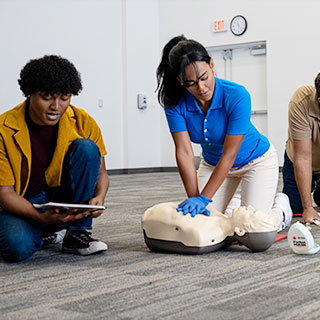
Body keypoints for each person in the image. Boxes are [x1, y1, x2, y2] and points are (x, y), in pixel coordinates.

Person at [156, 35, 292, 232]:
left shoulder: (237, 95)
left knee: (256, 230)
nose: (201, 88)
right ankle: (236, 205)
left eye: (204, 78)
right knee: (200, 226)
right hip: (212, 164)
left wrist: (204, 198)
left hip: (256, 161)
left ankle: (280, 208)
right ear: (180, 80)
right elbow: (184, 152)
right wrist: (195, 198)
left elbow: (229, 155)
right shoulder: (174, 103)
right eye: (191, 83)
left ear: (212, 64)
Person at [0, 55, 109, 262]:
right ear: (30, 93)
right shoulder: (3, 129)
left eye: (64, 97)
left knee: (87, 148)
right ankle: (44, 231)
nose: (56, 106)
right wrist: (39, 215)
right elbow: (4, 194)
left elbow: (102, 174)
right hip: (21, 202)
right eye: (47, 97)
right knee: (18, 248)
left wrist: (99, 198)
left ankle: (77, 233)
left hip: (60, 199)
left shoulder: (83, 121)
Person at [142, 202, 278, 253]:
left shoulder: (202, 234)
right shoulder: (218, 221)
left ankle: (282, 209)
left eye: (251, 213)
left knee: (279, 205)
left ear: (240, 231)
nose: (250, 207)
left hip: (151, 217)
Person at [282, 73, 320, 224]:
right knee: (294, 210)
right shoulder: (301, 102)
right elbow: (303, 158)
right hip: (299, 161)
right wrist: (308, 207)